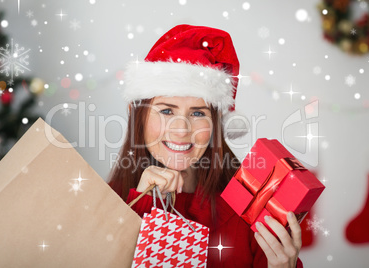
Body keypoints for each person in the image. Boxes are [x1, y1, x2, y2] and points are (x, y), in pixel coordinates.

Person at [108, 24, 303, 267]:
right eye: (166, 111)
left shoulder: (250, 210)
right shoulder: (108, 200)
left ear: (216, 124)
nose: (182, 130)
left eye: (198, 113)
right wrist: (140, 207)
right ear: (137, 115)